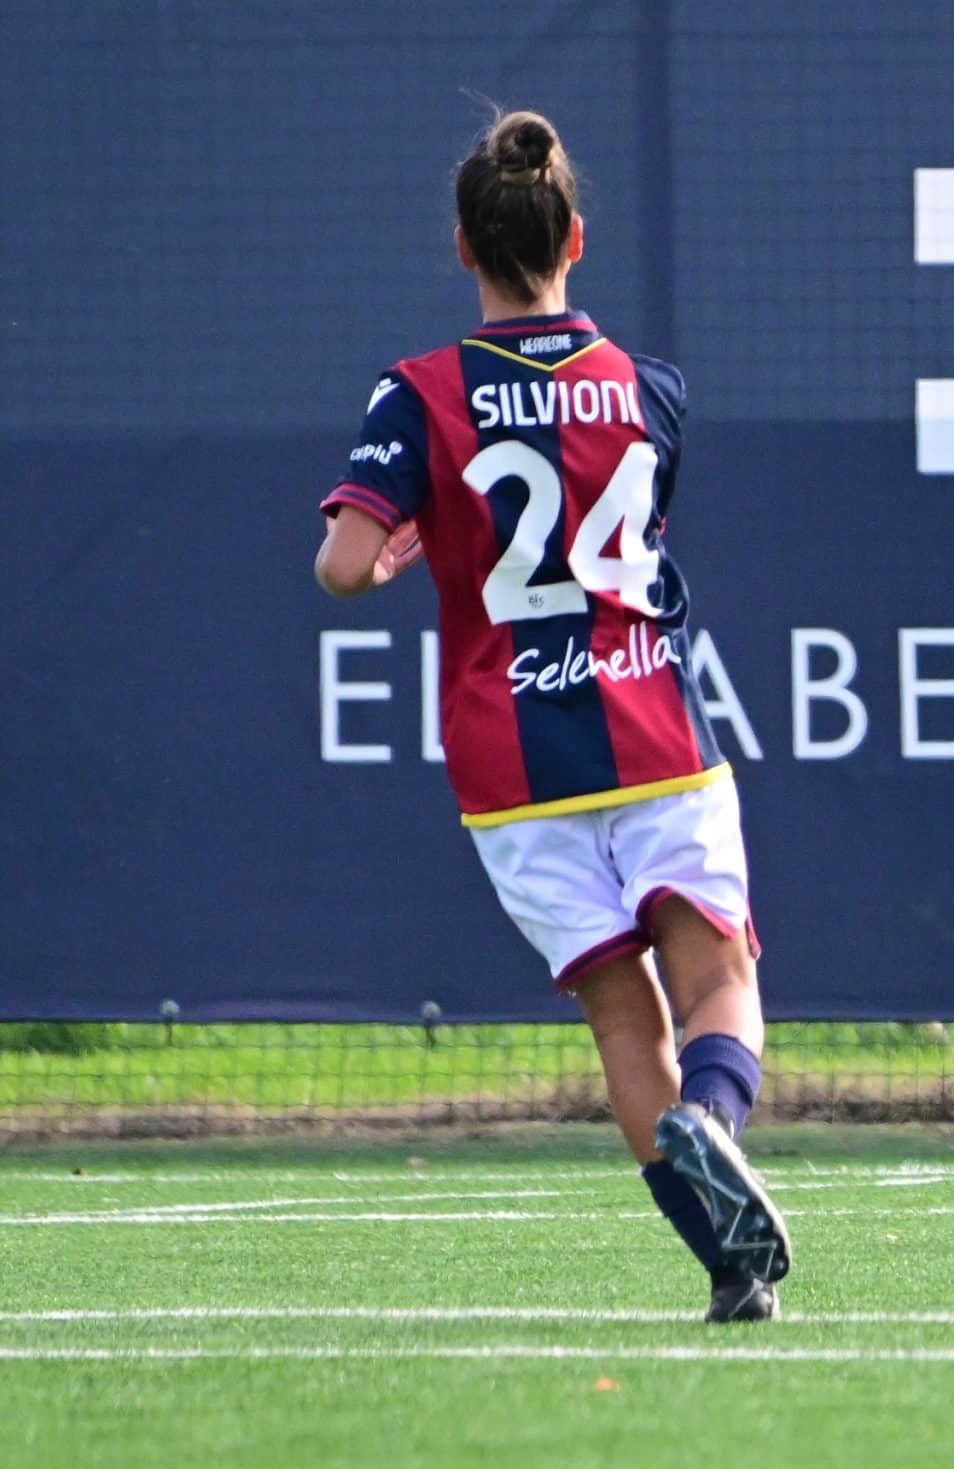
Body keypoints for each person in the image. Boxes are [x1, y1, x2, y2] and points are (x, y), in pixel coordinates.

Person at [313, 110, 794, 1316]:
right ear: (574, 237)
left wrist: (386, 559)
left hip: (510, 766)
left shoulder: (417, 391)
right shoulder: (651, 387)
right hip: (652, 729)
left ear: (463, 249)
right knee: (720, 977)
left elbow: (340, 561)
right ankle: (715, 1122)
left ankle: (730, 1265)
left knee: (623, 1023)